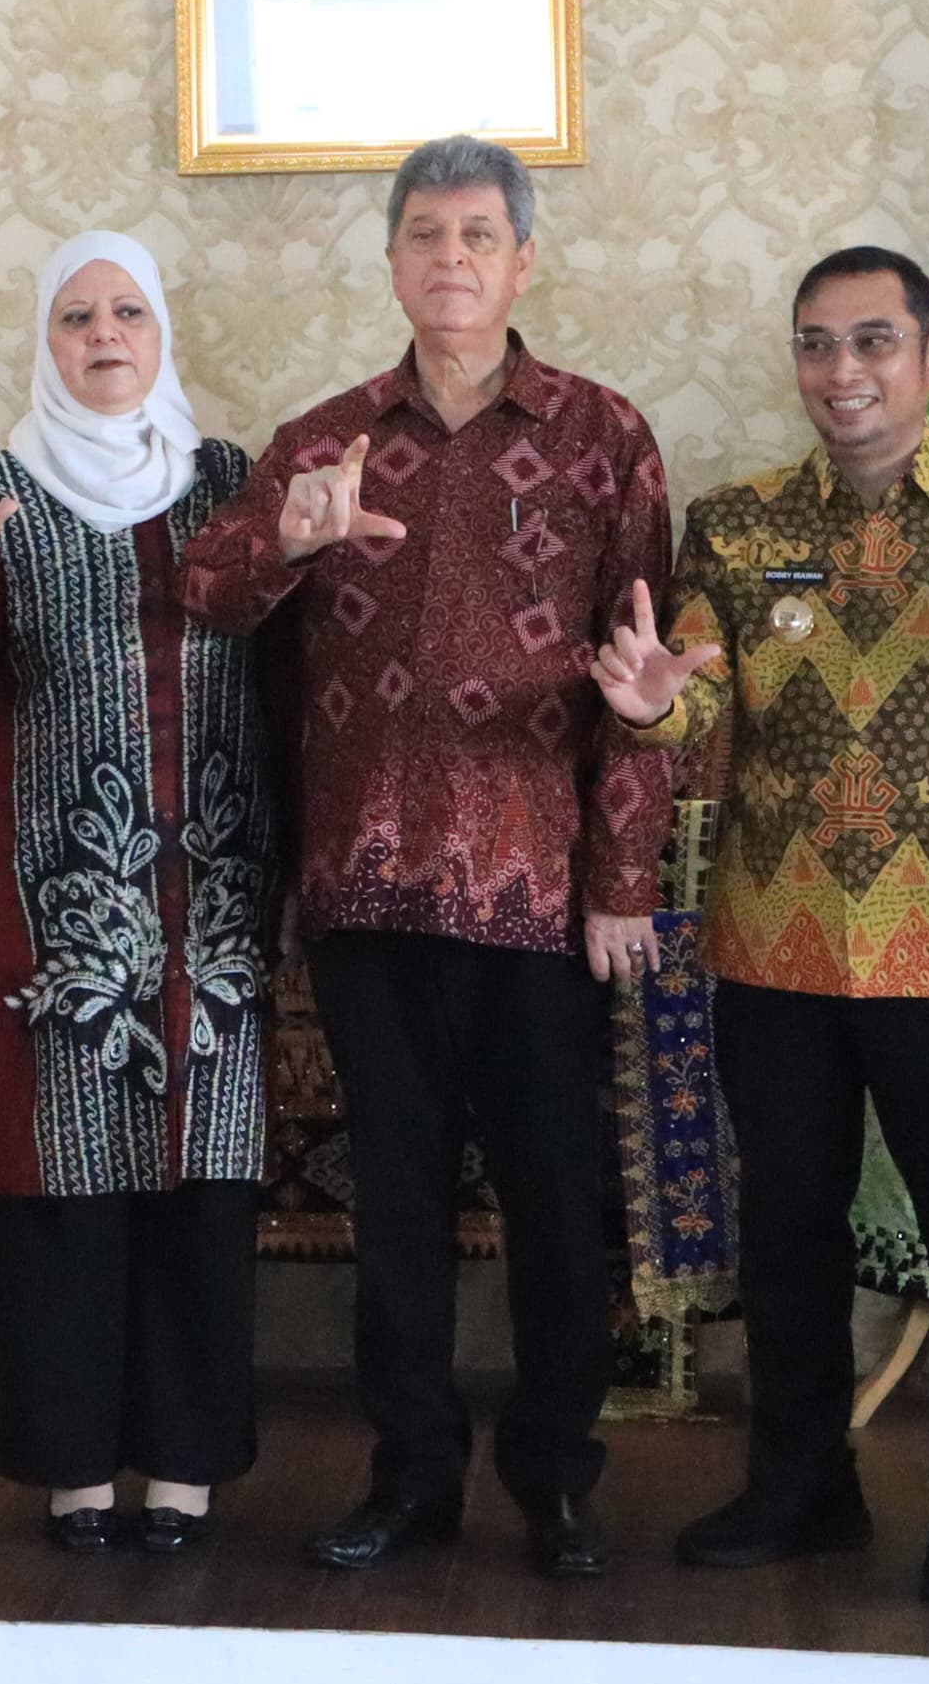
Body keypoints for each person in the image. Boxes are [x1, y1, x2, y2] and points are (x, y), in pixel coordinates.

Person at [181, 135, 673, 1579]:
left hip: (538, 889)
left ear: (523, 261)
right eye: (423, 235)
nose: (449, 258)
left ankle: (556, 1480)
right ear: (391, 260)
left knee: (555, 1203)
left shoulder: (602, 436)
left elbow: (648, 676)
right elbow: (208, 596)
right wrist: (287, 540)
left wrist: (621, 881)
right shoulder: (322, 438)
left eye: (476, 235)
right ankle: (409, 1475)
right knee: (393, 1205)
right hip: (364, 882)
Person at [596, 246, 929, 1606]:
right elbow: (698, 694)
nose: (842, 371)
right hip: (779, 938)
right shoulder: (735, 525)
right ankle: (800, 1483)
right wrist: (656, 707)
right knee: (787, 1235)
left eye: (873, 341)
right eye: (816, 343)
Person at [0, 232, 279, 1555]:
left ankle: (184, 1466)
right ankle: (72, 1469)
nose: (103, 335)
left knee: (199, 1181)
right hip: (50, 898)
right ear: (43, 342)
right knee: (60, 1181)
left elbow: (290, 642)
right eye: (74, 316)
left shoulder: (226, 482)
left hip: (213, 894)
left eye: (125, 312)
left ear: (161, 334)